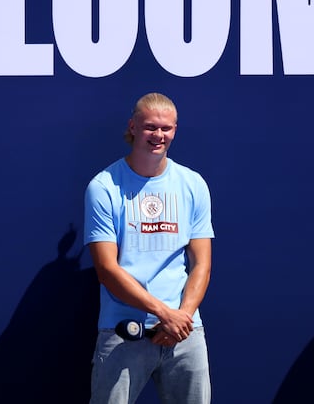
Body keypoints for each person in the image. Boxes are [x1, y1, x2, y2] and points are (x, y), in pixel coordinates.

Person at [84, 92, 214, 404]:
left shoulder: (193, 184)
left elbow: (201, 264)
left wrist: (181, 317)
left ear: (175, 130)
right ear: (132, 127)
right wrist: (162, 313)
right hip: (124, 333)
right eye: (150, 127)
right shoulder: (103, 187)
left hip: (185, 333)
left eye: (166, 128)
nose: (158, 135)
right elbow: (107, 270)